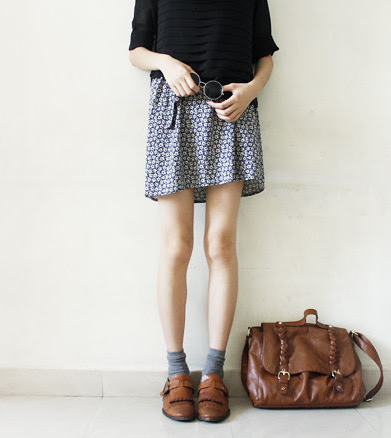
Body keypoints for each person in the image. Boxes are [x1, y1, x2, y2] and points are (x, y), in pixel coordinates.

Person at [128, 0, 279, 423]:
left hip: (231, 111)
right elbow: (136, 51)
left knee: (220, 245)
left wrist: (251, 91)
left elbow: (264, 55)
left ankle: (214, 373)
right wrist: (165, 63)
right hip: (174, 111)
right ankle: (176, 373)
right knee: (176, 247)